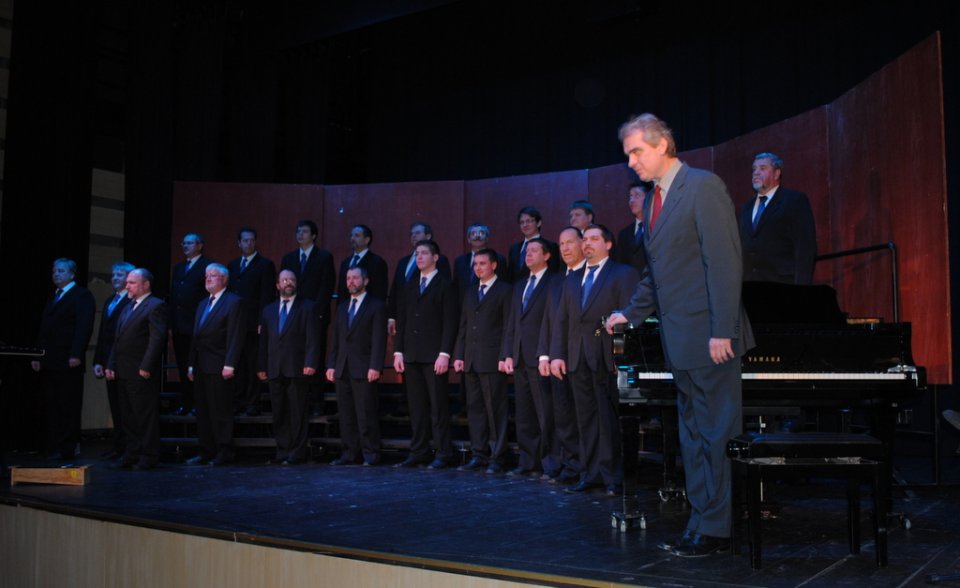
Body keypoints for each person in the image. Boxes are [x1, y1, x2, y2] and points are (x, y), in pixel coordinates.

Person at [607, 113, 754, 557]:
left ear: (662, 145)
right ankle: (701, 521)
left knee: (716, 434)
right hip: (681, 341)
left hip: (711, 339)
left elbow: (724, 263)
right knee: (693, 436)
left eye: (636, 151)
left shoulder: (703, 187)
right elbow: (656, 274)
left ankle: (717, 529)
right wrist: (630, 314)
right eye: (628, 154)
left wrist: (722, 330)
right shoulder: (656, 200)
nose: (631, 162)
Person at [549, 225, 638, 496]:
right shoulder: (572, 280)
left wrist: (622, 357)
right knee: (585, 419)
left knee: (608, 420)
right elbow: (562, 321)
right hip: (577, 358)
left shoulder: (623, 274)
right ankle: (590, 474)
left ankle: (612, 477)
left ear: (608, 244)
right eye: (585, 239)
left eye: (594, 239)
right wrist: (557, 355)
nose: (587, 243)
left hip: (608, 359)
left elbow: (629, 319)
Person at [392, 240, 459, 469]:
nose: (419, 257)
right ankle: (419, 451)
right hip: (412, 354)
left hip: (434, 355)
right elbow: (402, 319)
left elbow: (450, 322)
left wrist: (445, 353)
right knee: (416, 407)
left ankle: (443, 452)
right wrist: (398, 351)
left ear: (435, 257)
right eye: (417, 253)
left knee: (438, 406)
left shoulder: (445, 285)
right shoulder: (410, 284)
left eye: (423, 253)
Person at [502, 238, 561, 477]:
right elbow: (512, 323)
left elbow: (554, 320)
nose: (529, 254)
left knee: (546, 413)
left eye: (535, 250)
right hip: (520, 357)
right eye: (527, 250)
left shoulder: (554, 282)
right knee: (525, 413)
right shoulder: (520, 285)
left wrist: (548, 353)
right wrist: (507, 353)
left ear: (546, 256)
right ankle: (528, 461)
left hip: (541, 356)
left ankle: (551, 463)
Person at [453, 249, 511, 474]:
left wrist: (504, 355)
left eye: (483, 263)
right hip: (471, 359)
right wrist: (459, 354)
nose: (478, 267)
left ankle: (498, 455)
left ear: (493, 265)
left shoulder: (504, 290)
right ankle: (479, 454)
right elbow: (464, 325)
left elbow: (508, 327)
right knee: (475, 409)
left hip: (492, 359)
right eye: (475, 264)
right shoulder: (470, 292)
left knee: (495, 409)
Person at [31, 258, 96, 459]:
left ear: (71, 274)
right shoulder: (55, 297)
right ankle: (52, 445)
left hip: (68, 359)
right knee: (52, 404)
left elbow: (83, 327)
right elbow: (44, 329)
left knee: (68, 404)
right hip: (50, 359)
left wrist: (76, 353)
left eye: (61, 271)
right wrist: (37, 354)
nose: (56, 274)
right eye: (54, 271)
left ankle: (67, 447)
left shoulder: (81, 295)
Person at [105, 268, 167, 470]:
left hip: (140, 371)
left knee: (144, 416)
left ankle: (148, 455)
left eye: (132, 282)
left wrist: (146, 365)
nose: (127, 286)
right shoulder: (127, 307)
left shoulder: (155, 305)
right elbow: (118, 340)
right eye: (127, 282)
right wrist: (111, 364)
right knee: (128, 416)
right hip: (123, 370)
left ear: (145, 284)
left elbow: (156, 339)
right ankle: (132, 453)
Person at [538, 227, 586, 483]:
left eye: (570, 242)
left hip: (582, 357)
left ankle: (586, 466)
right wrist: (544, 355)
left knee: (583, 416)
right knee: (563, 415)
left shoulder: (589, 275)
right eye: (561, 244)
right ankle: (570, 465)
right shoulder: (556, 281)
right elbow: (549, 319)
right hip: (557, 358)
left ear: (582, 244)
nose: (565, 248)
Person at [326, 266, 387, 466]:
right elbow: (336, 339)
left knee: (366, 413)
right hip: (342, 367)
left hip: (364, 367)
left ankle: (371, 453)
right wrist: (331, 364)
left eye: (355, 278)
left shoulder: (376, 306)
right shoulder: (342, 307)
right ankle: (350, 453)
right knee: (346, 414)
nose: (351, 282)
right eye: (348, 278)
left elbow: (379, 339)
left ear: (365, 281)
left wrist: (375, 366)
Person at [258, 270, 320, 465]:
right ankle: (282, 451)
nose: (288, 283)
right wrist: (262, 366)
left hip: (297, 367)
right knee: (279, 412)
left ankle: (297, 452)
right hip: (275, 368)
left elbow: (313, 338)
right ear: (278, 285)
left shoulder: (307, 307)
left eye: (292, 279)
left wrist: (310, 362)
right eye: (284, 280)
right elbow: (264, 341)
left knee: (297, 412)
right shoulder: (268, 310)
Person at [186, 264, 245, 466]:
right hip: (201, 364)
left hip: (220, 364)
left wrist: (230, 363)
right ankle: (206, 450)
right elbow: (196, 336)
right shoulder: (203, 303)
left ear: (224, 279)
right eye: (206, 275)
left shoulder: (233, 301)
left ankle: (224, 450)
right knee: (203, 411)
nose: (208, 278)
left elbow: (235, 335)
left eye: (213, 275)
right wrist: (191, 364)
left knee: (220, 410)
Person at [279, 220, 335, 415]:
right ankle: (296, 403)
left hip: (315, 315)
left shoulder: (324, 257)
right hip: (292, 316)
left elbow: (326, 287)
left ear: (313, 235)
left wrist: (315, 312)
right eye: (298, 231)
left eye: (304, 231)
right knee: (294, 357)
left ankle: (317, 401)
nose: (300, 234)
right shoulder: (289, 258)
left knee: (315, 357)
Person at [739, 152, 817, 284]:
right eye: (754, 169)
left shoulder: (794, 201)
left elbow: (805, 248)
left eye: (762, 168)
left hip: (782, 285)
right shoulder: (746, 208)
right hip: (751, 287)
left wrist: (802, 289)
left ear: (776, 173)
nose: (756, 173)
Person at [226, 227, 277, 416]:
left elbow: (267, 295)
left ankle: (252, 402)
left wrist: (262, 321)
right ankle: (238, 400)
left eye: (251, 240)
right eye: (245, 240)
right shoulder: (232, 265)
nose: (248, 243)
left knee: (253, 363)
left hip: (254, 322)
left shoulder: (265, 264)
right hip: (236, 323)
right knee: (237, 362)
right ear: (239, 243)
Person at [92, 261, 134, 458]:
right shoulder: (110, 300)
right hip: (108, 361)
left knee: (125, 408)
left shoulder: (131, 301)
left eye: (119, 275)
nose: (115, 278)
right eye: (114, 275)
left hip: (122, 362)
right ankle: (118, 446)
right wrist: (98, 360)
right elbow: (103, 334)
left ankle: (127, 447)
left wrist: (113, 362)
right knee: (115, 406)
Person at [169, 233, 212, 415]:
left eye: (190, 243)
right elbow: (174, 295)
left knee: (196, 366)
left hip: (196, 324)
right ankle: (186, 401)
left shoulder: (207, 266)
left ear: (200, 246)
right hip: (179, 325)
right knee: (182, 365)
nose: (185, 246)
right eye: (184, 243)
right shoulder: (179, 267)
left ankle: (197, 403)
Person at [387, 222, 451, 337]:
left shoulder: (440, 259)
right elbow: (395, 289)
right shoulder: (403, 261)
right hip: (403, 315)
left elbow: (444, 290)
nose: (413, 236)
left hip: (427, 318)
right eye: (411, 234)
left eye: (417, 233)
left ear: (428, 236)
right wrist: (392, 316)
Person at [452, 223, 507, 301]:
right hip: (464, 305)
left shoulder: (499, 259)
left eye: (481, 233)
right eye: (473, 234)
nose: (477, 236)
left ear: (487, 238)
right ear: (468, 239)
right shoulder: (460, 261)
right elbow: (455, 288)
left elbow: (502, 285)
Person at [336, 224, 389, 304]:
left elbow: (379, 293)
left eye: (357, 236)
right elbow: (341, 291)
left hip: (367, 309)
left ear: (367, 240)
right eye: (351, 236)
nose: (352, 239)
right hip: (346, 308)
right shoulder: (345, 263)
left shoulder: (377, 262)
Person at [507, 207, 561, 281]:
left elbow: (553, 272)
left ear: (538, 223)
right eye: (522, 222)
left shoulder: (550, 246)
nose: (525, 225)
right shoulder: (514, 248)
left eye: (528, 221)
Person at [616, 183, 649, 275]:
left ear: (649, 198)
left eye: (637, 195)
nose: (632, 200)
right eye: (630, 196)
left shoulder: (657, 228)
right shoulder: (624, 234)